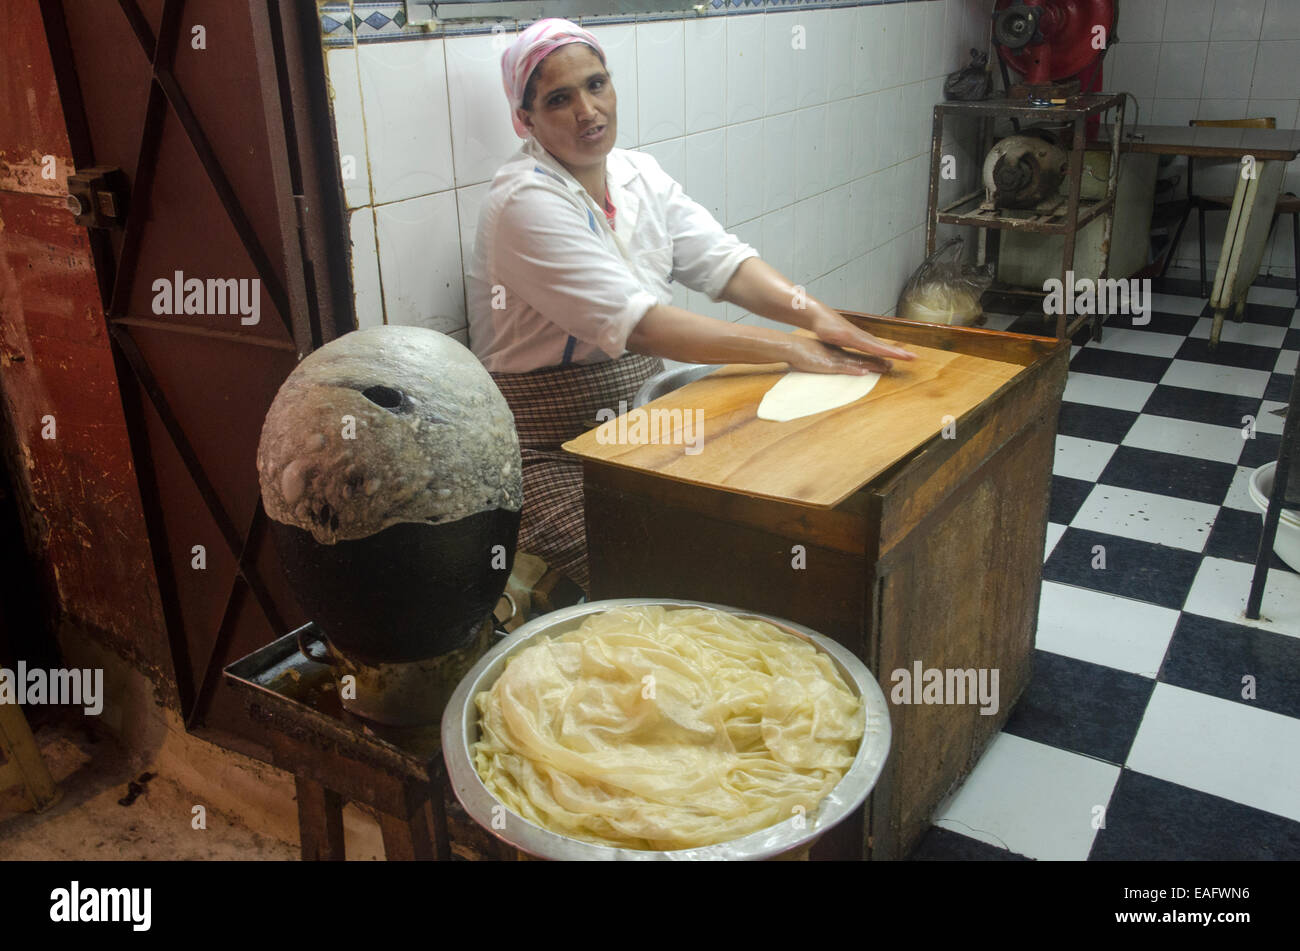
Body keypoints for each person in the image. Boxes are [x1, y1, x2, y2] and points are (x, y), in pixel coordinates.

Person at [466, 18, 913, 594]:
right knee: (652, 567)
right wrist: (789, 348)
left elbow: (724, 265)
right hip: (544, 449)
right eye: (559, 99)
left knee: (746, 517)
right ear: (525, 120)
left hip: (643, 416)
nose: (587, 111)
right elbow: (641, 326)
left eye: (596, 85)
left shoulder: (637, 175)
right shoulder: (523, 202)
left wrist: (820, 317)